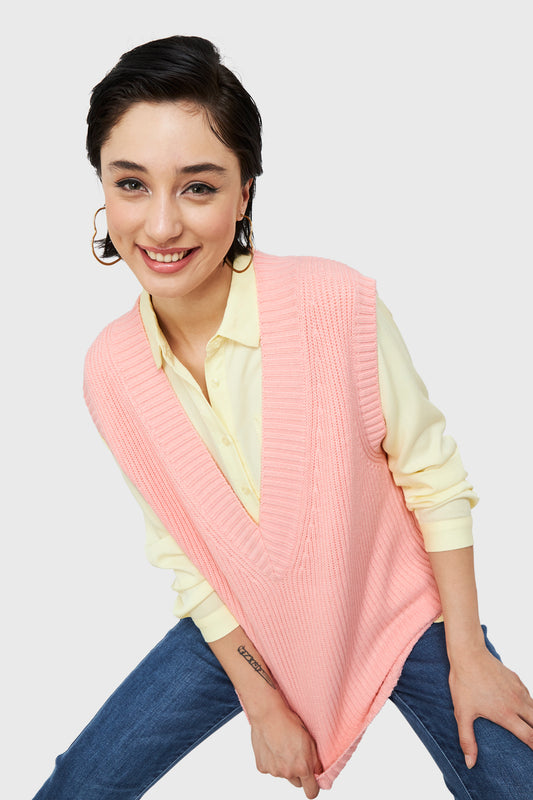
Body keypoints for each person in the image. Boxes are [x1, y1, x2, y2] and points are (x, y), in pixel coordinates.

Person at [33, 35, 533, 800]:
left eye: (197, 188)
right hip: (243, 622)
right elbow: (184, 550)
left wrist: (468, 654)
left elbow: (432, 477)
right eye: (131, 183)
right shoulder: (111, 369)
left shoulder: (332, 302)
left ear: (244, 193)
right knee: (78, 787)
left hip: (393, 612)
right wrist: (262, 701)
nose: (159, 226)